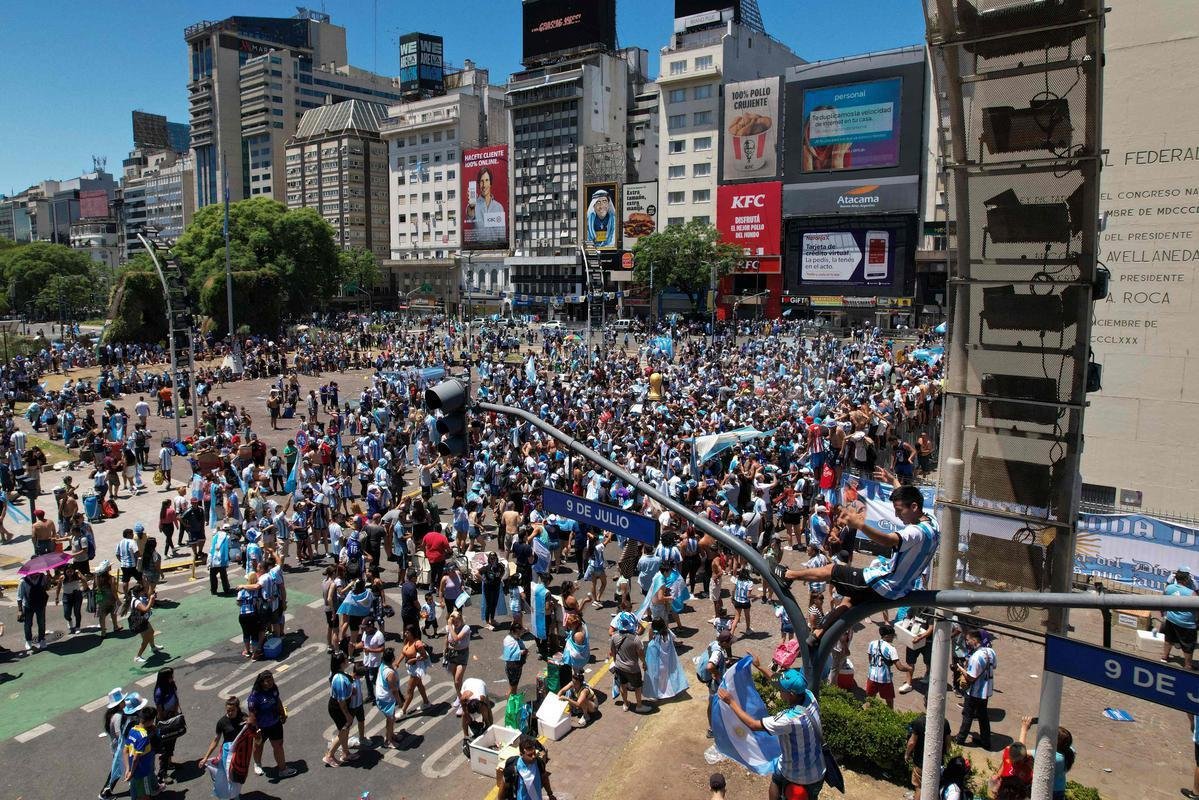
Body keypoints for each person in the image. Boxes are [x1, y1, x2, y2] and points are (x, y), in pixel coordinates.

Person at [776, 484, 938, 644]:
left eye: (899, 510)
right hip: (899, 589)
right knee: (848, 601)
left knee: (833, 569)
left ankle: (788, 575)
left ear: (914, 506)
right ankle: (817, 634)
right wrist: (894, 482)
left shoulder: (915, 532)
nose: (896, 515)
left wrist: (860, 525)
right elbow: (909, 497)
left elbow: (888, 541)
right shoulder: (932, 523)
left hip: (883, 583)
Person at [718, 668, 825, 800]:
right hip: (817, 768)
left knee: (781, 783)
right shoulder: (809, 696)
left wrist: (731, 702)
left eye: (781, 690)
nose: (779, 691)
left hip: (797, 776)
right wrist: (760, 667)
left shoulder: (789, 719)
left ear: (791, 694)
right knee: (781, 780)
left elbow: (753, 724)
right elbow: (781, 682)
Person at [954, 628, 997, 750]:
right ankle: (986, 741)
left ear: (974, 640)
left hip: (975, 692)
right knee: (983, 716)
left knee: (968, 715)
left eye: (968, 640)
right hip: (986, 691)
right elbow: (994, 666)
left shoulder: (976, 657)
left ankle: (960, 739)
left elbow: (970, 678)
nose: (967, 642)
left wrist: (961, 668)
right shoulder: (990, 652)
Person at [247, 671, 295, 778]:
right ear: (261, 682)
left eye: (271, 680)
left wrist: (282, 713)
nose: (270, 683)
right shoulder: (254, 697)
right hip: (261, 727)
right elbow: (252, 716)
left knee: (278, 745)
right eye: (267, 681)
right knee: (258, 745)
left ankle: (282, 769)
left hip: (275, 723)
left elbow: (277, 701)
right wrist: (256, 730)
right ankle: (257, 764)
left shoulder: (274, 689)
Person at [905, 712, 952, 799]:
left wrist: (907, 754)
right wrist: (946, 753)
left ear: (925, 702)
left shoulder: (918, 722)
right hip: (937, 763)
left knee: (919, 787)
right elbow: (948, 742)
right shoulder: (945, 722)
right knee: (932, 787)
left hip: (920, 763)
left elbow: (912, 742)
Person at [323, 651, 358, 767]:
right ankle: (330, 755)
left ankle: (345, 752)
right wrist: (347, 715)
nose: (348, 660)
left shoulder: (338, 673)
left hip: (340, 706)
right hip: (338, 708)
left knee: (345, 730)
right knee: (343, 731)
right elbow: (341, 701)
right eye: (345, 659)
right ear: (341, 663)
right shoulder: (339, 679)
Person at [865, 624, 911, 709]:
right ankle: (890, 715)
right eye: (893, 636)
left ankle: (867, 714)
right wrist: (909, 669)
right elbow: (900, 667)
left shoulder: (872, 643)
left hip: (871, 677)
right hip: (885, 679)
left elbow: (870, 660)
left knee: (870, 699)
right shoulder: (891, 648)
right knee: (889, 701)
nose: (893, 638)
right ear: (887, 636)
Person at [497, 734, 557, 800]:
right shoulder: (512, 768)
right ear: (521, 754)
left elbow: (544, 778)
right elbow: (503, 788)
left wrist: (550, 794)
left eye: (534, 753)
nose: (533, 756)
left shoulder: (539, 762)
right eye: (530, 755)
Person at [609, 612, 648, 712]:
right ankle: (639, 706)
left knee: (623, 685)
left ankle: (625, 704)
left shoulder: (614, 636)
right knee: (637, 687)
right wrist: (644, 663)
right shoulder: (635, 639)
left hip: (619, 667)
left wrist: (616, 662)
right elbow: (640, 654)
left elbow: (612, 652)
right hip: (633, 668)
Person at [643, 618, 689, 702]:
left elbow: (650, 643)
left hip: (657, 660)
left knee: (656, 677)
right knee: (667, 677)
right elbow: (674, 638)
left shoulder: (653, 633)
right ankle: (670, 692)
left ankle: (657, 694)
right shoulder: (667, 632)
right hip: (668, 660)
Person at [99, 688, 131, 799]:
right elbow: (119, 734)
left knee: (118, 769)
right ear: (119, 703)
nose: (125, 702)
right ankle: (105, 792)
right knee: (117, 771)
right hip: (120, 748)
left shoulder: (113, 714)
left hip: (115, 747)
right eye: (123, 700)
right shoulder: (118, 716)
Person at [1163, 566, 1197, 668]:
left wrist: (1164, 613)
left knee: (1168, 639)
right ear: (1186, 580)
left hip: (1170, 619)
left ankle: (1164, 657)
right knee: (1188, 646)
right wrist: (1197, 620)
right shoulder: (1191, 593)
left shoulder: (1168, 588)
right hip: (1187, 624)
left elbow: (1162, 599)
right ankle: (1188, 665)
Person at [122, 706, 159, 800]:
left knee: (135, 795)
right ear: (150, 721)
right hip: (142, 773)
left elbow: (125, 751)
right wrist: (131, 772)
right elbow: (136, 758)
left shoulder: (132, 730)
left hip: (133, 771)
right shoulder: (143, 736)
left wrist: (128, 770)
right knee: (144, 796)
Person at [153, 668, 181, 784]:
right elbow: (159, 710)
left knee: (172, 742)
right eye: (171, 675)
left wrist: (175, 711)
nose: (172, 677)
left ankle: (169, 763)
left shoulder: (171, 685)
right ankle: (162, 774)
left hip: (173, 717)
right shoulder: (159, 691)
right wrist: (167, 719)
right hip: (165, 721)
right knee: (165, 747)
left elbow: (176, 697)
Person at [399, 623, 433, 716]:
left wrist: (413, 659)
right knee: (419, 685)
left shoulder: (417, 643)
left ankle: (403, 710)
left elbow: (424, 656)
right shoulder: (407, 640)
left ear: (412, 633)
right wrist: (397, 662)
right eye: (405, 631)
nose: (405, 633)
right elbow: (403, 652)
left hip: (417, 669)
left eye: (407, 632)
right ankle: (426, 702)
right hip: (411, 667)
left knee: (410, 689)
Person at [375, 647, 404, 749]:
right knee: (390, 719)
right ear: (392, 659)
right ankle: (388, 741)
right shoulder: (390, 673)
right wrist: (399, 702)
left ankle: (391, 735)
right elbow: (394, 690)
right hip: (386, 699)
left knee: (390, 718)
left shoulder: (383, 665)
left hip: (383, 696)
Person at [128, 582, 164, 664]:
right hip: (140, 622)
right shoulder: (136, 601)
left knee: (151, 632)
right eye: (143, 591)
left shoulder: (136, 597)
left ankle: (153, 647)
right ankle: (137, 656)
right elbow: (145, 609)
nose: (144, 592)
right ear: (139, 592)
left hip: (143, 620)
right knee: (146, 640)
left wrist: (150, 599)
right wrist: (151, 600)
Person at [458, 676, 494, 755]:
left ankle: (492, 730)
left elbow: (486, 717)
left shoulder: (482, 699)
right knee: (464, 715)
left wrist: (486, 728)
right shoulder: (464, 698)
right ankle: (465, 736)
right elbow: (465, 714)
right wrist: (469, 719)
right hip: (468, 683)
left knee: (488, 710)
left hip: (480, 684)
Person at [55, 562, 88, 635]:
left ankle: (78, 626)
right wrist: (57, 598)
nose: (70, 573)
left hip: (77, 595)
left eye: (71, 571)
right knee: (66, 613)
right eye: (68, 571)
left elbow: (84, 580)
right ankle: (69, 620)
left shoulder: (77, 576)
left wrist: (79, 573)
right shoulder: (62, 578)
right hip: (66, 596)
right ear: (65, 571)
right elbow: (58, 588)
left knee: (77, 612)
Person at [94, 560, 123, 638]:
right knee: (113, 612)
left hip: (100, 597)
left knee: (102, 615)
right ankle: (115, 626)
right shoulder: (111, 578)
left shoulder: (97, 577)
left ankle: (103, 631)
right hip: (110, 597)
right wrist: (117, 599)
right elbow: (113, 590)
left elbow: (96, 587)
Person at [501, 620, 529, 697]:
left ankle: (512, 702)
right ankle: (510, 703)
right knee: (512, 688)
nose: (519, 635)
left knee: (514, 687)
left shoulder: (516, 639)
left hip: (517, 665)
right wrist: (521, 652)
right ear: (513, 632)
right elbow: (510, 653)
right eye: (518, 633)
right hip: (512, 667)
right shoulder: (508, 640)